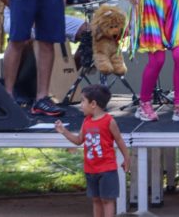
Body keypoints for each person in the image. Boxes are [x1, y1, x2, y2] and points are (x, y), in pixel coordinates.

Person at [55, 84, 130, 217]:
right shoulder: (86, 121)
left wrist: (127, 159)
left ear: (93, 104)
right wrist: (63, 131)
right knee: (96, 199)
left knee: (107, 200)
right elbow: (79, 140)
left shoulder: (109, 121)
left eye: (83, 101)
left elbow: (119, 140)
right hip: (91, 169)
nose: (81, 104)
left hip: (107, 170)